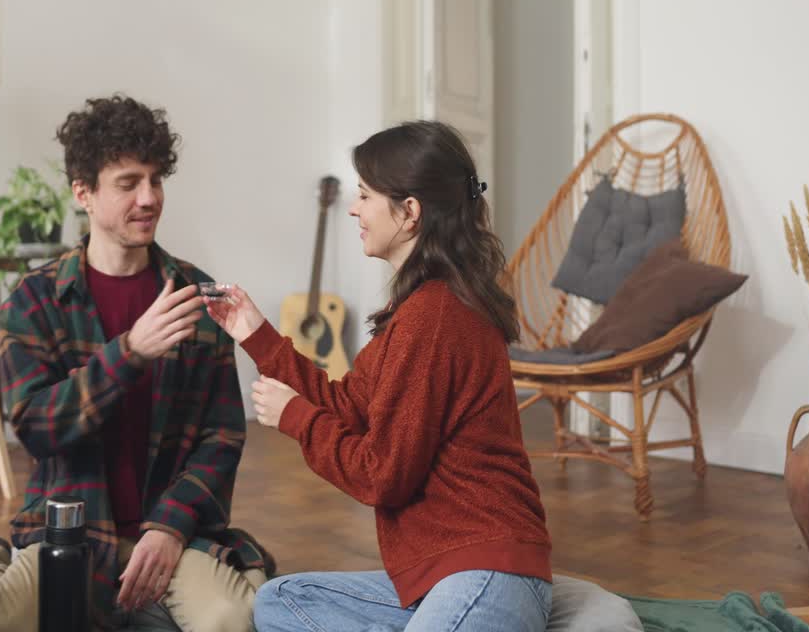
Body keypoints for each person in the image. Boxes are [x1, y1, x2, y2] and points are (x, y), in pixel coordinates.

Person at [206, 120, 553, 631]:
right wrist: (255, 334)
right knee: (282, 599)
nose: (354, 209)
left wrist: (297, 419)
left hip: (486, 569)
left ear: (409, 212)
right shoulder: (419, 308)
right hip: (438, 573)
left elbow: (382, 475)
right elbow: (347, 406)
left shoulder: (434, 317)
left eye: (365, 196)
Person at [0, 95, 271, 632]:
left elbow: (222, 437)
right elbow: (34, 427)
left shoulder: (197, 296)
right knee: (0, 623)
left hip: (171, 533)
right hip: (70, 530)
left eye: (155, 180)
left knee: (233, 620)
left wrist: (170, 528)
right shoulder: (31, 301)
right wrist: (129, 354)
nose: (148, 198)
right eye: (128, 183)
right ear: (83, 192)